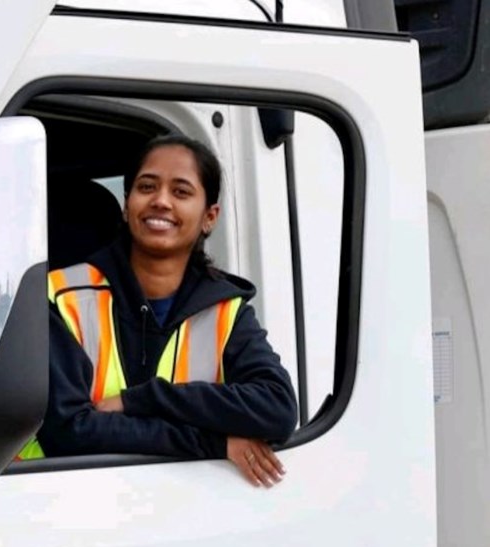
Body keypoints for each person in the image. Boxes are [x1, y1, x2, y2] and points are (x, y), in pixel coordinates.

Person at [27, 134, 298, 487]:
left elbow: (276, 409)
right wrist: (213, 442)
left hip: (182, 512)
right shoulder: (61, 295)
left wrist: (138, 400)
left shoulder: (226, 310)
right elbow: (69, 431)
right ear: (127, 206)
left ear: (209, 216)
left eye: (181, 192)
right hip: (56, 509)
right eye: (147, 187)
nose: (161, 201)